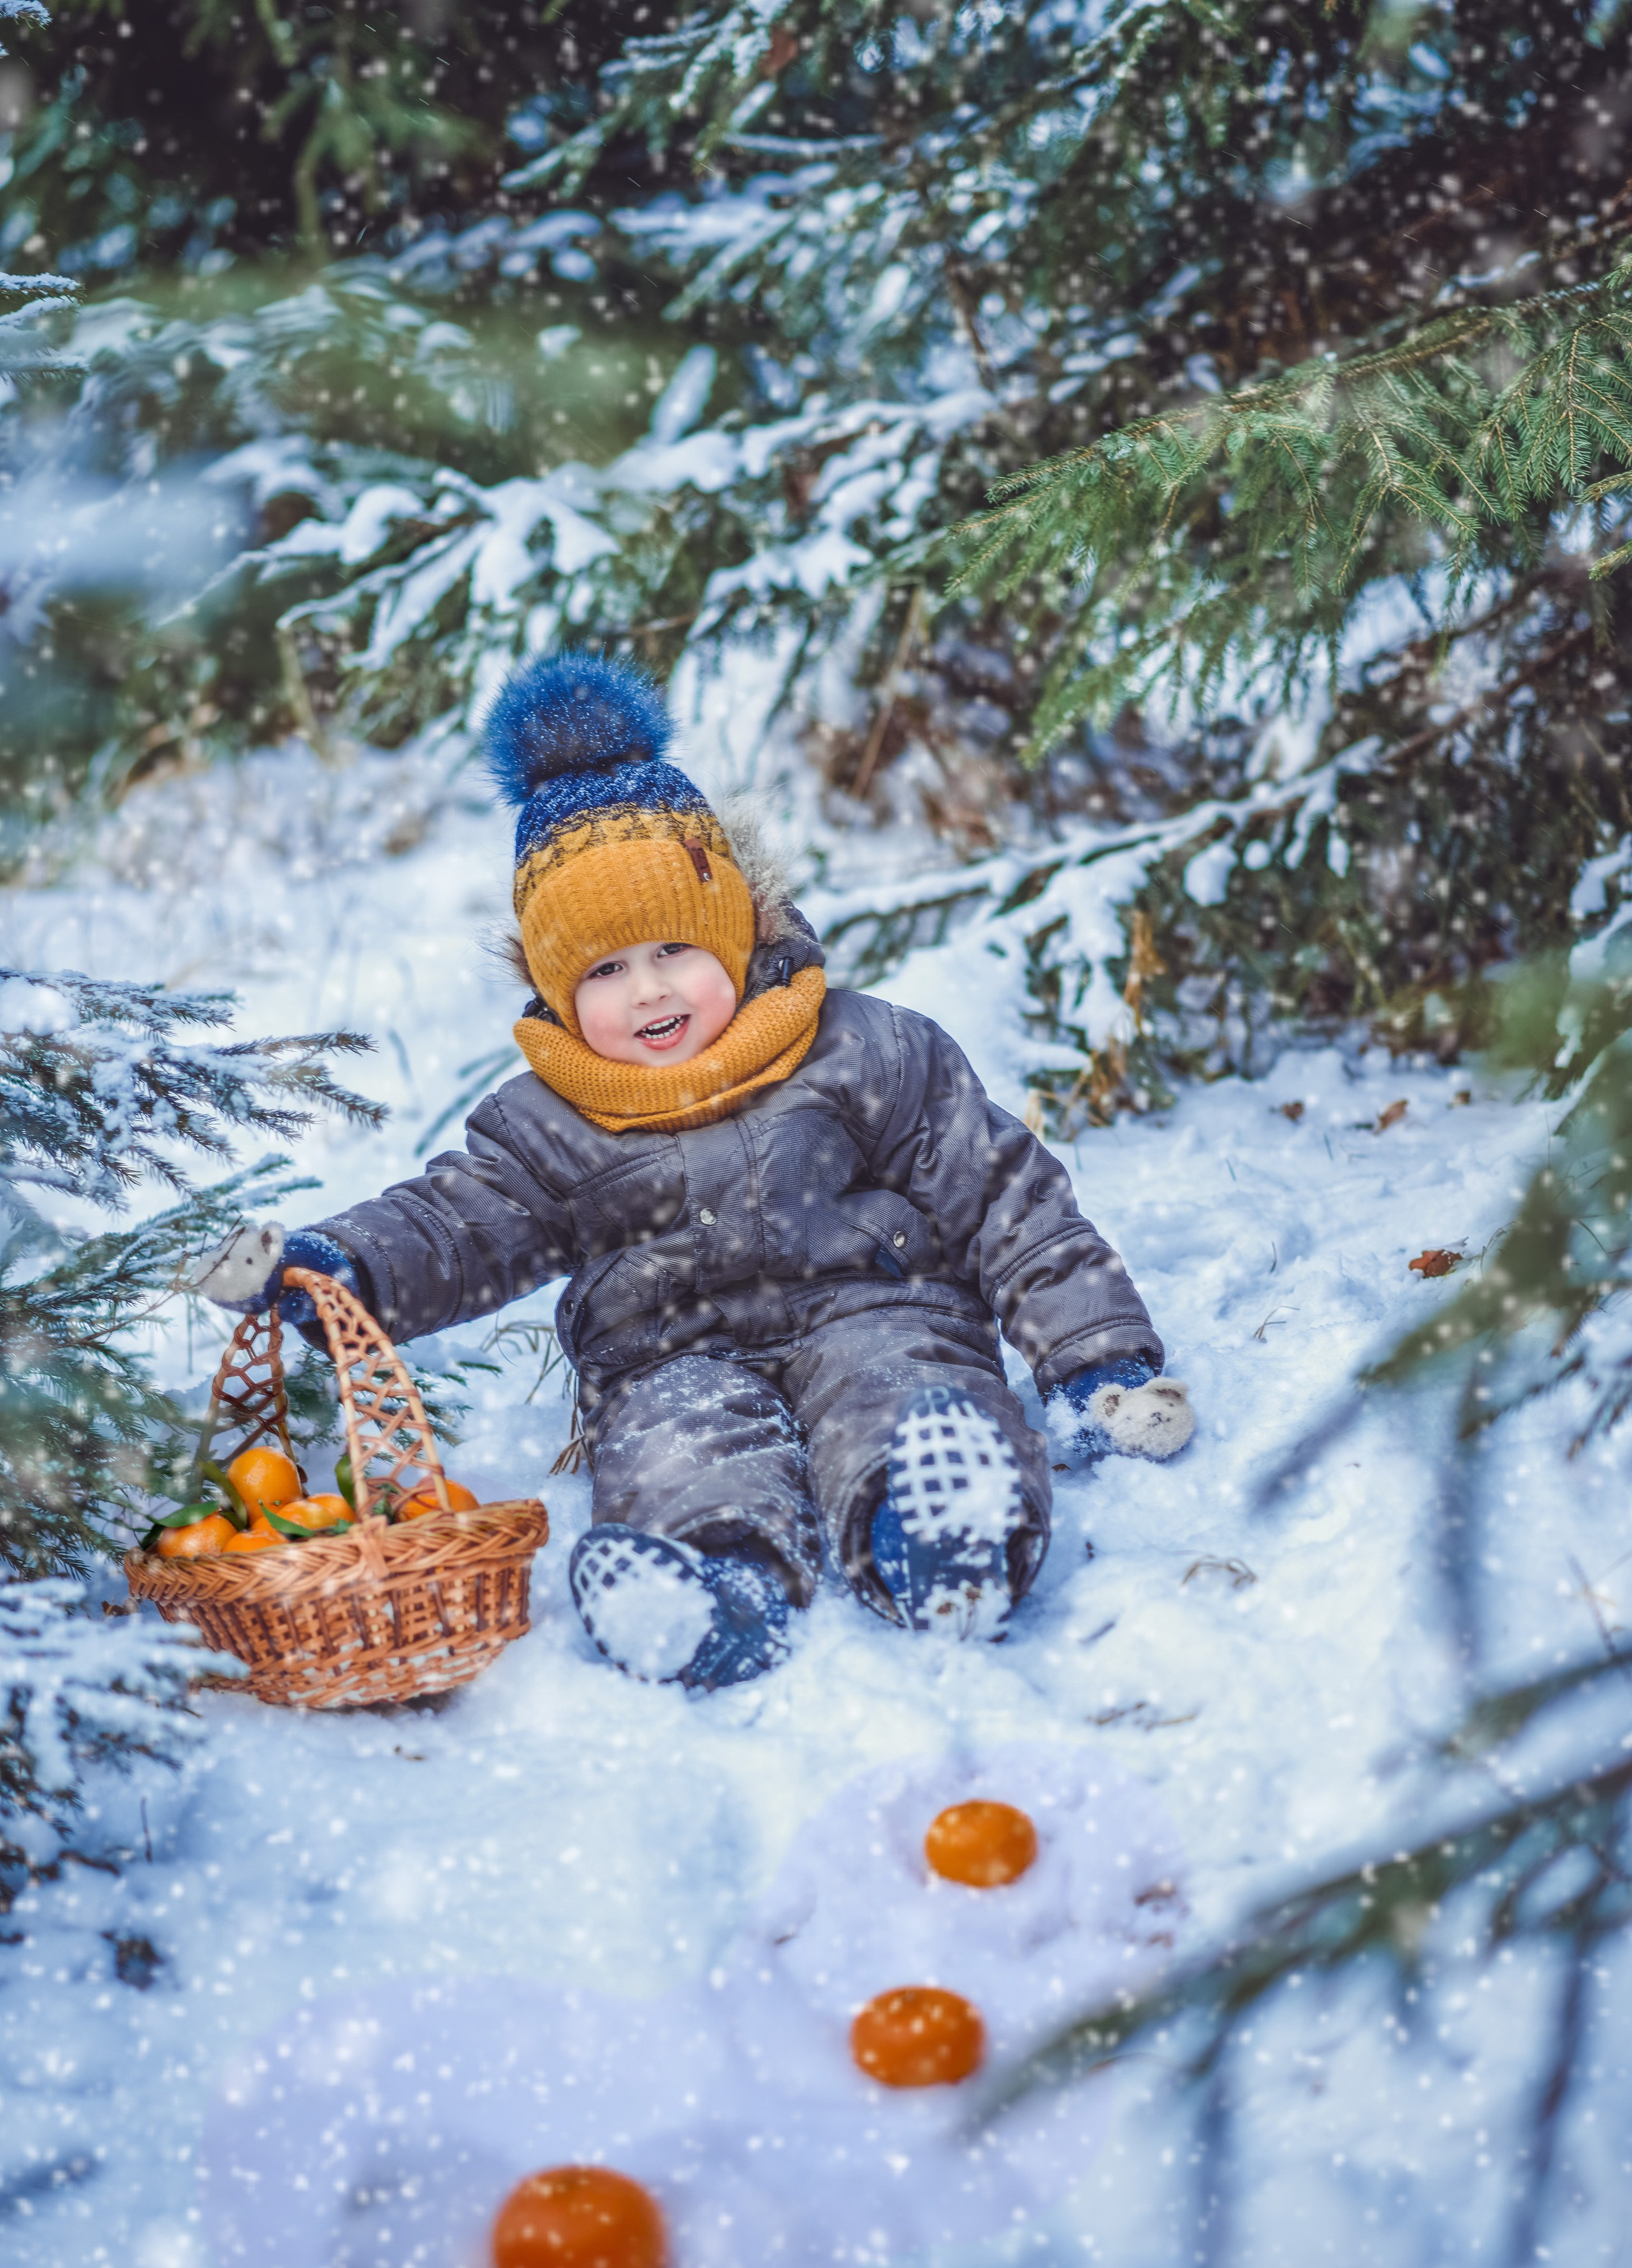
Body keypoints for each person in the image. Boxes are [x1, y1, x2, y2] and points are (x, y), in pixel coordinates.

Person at [193, 655, 1193, 1691]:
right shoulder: (547, 1123)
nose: (650, 990)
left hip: (876, 1306)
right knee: (679, 1453)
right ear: (556, 992)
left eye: (676, 947)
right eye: (605, 971)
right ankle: (715, 1594)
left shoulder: (865, 1049)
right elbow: (455, 1226)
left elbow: (1006, 1199)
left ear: (735, 931)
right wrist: (335, 1267)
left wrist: (1093, 1361)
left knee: (906, 1393)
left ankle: (943, 1537)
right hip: (672, 1357)